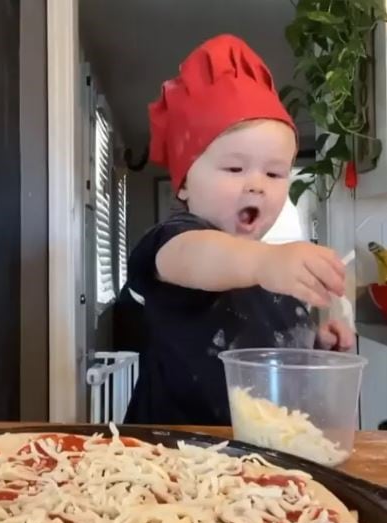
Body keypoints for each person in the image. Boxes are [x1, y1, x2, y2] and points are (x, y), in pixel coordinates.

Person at [123, 34, 355, 426]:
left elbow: (274, 357)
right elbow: (199, 256)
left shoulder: (274, 272)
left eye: (274, 172)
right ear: (183, 185)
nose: (256, 184)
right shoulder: (174, 242)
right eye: (234, 168)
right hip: (169, 459)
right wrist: (267, 261)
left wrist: (317, 345)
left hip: (257, 458)